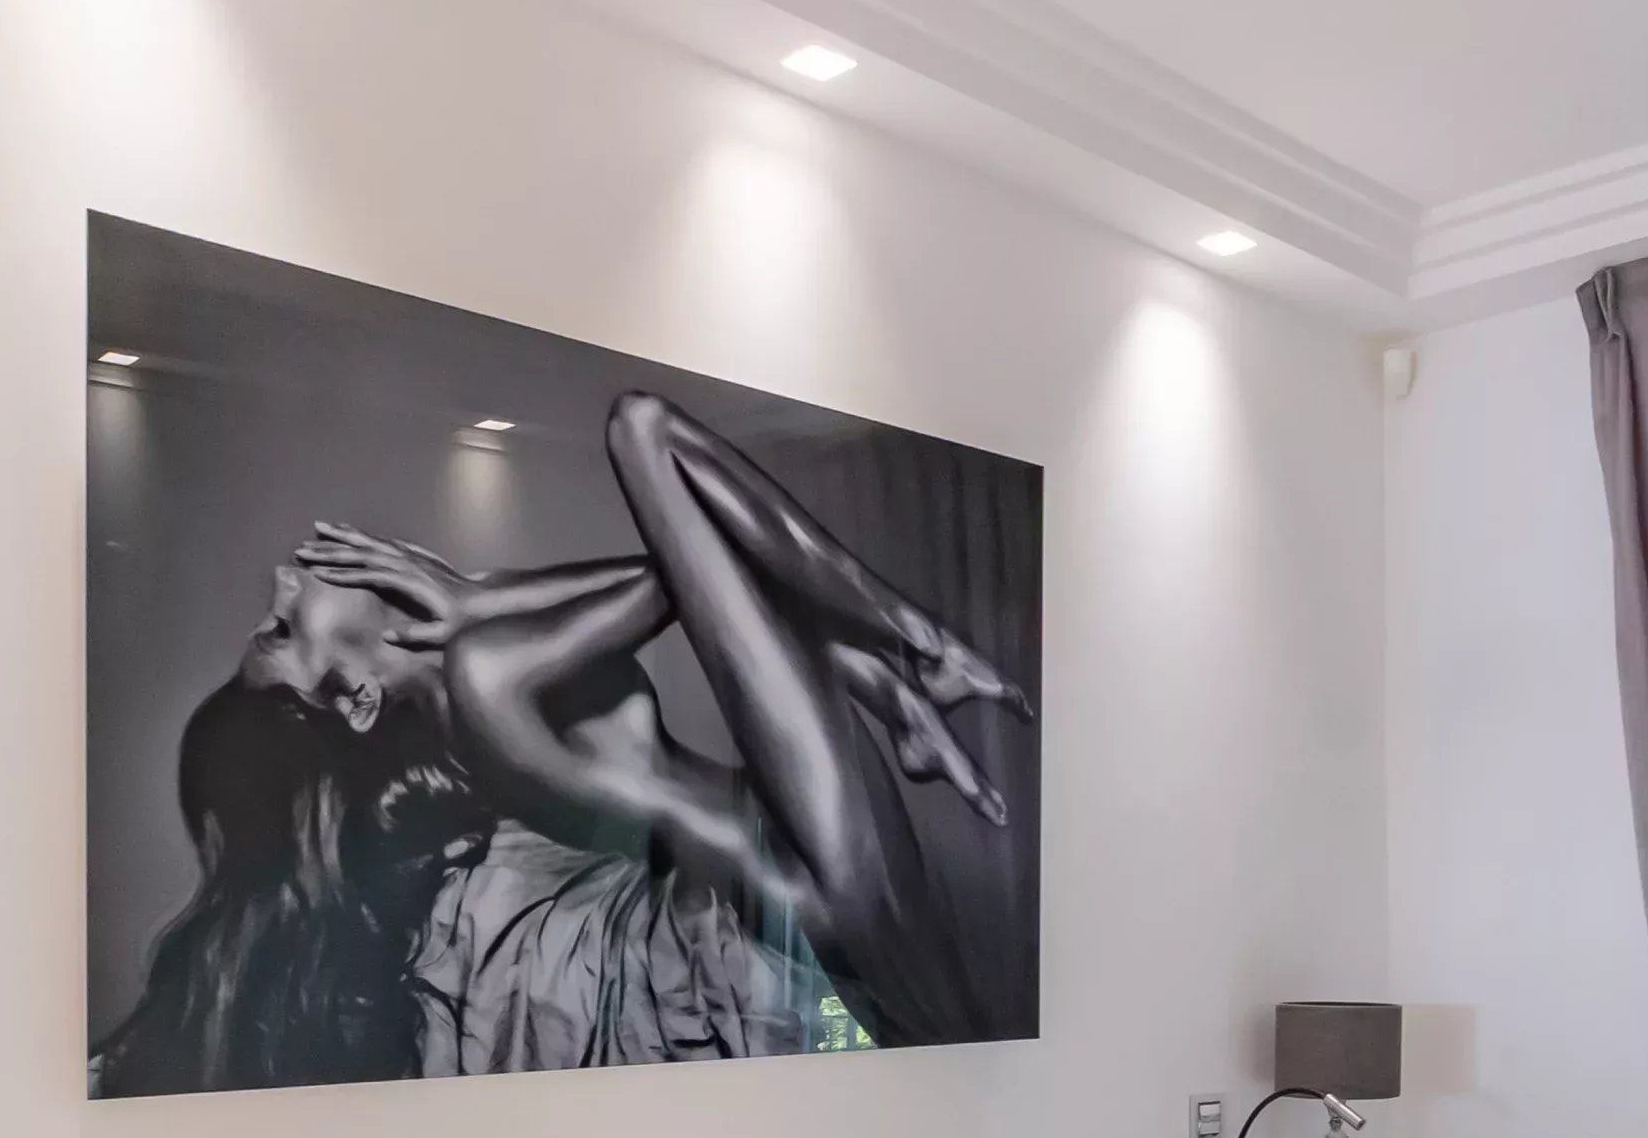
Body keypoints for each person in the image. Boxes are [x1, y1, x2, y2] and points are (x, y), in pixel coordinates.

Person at [88, 391, 1032, 1094]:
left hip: (808, 859)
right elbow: (691, 572)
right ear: (359, 701)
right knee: (642, 428)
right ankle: (926, 647)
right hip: (809, 884)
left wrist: (472, 595)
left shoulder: (479, 652)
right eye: (283, 628)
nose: (287, 579)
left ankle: (919, 654)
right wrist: (475, 599)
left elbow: (697, 577)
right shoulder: (480, 679)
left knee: (652, 442)